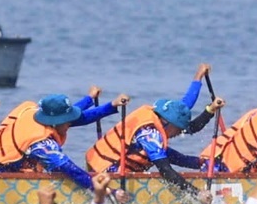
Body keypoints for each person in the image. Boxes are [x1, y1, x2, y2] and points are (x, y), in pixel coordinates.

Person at [83, 62, 221, 177]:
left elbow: (186, 106)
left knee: (183, 159)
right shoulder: (150, 135)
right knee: (170, 159)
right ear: (168, 123)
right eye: (179, 129)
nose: (181, 132)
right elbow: (166, 171)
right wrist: (198, 195)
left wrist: (200, 79)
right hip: (107, 169)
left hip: (124, 156)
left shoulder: (166, 115)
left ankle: (208, 164)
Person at [0, 89, 117, 186]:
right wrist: (108, 191)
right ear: (54, 122)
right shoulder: (42, 145)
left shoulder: (33, 111)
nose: (70, 123)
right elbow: (71, 170)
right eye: (67, 120)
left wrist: (103, 103)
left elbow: (78, 116)